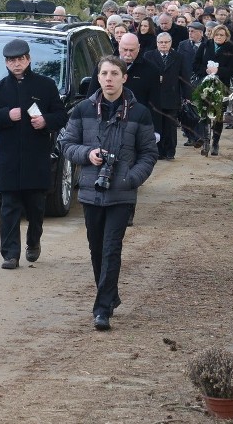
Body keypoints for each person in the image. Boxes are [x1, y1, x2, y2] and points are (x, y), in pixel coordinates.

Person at [60, 55, 157, 331]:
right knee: (97, 248)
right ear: (98, 77)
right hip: (91, 190)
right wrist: (87, 154)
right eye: (104, 73)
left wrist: (131, 178)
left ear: (124, 78)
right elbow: (67, 144)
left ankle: (102, 309)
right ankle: (110, 295)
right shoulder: (82, 110)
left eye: (115, 73)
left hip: (122, 193)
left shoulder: (139, 112)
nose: (109, 78)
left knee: (112, 248)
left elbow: (149, 153)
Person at [0, 39, 68, 269]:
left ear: (29, 60)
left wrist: (45, 121)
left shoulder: (45, 86)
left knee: (36, 207)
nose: (17, 64)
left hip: (36, 159)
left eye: (20, 59)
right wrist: (7, 116)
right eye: (12, 60)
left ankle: (33, 241)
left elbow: (61, 116)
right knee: (9, 208)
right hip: (9, 160)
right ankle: (10, 254)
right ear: (6, 63)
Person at [193, 25, 233, 156]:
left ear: (226, 37)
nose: (219, 37)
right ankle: (206, 140)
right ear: (212, 35)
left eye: (222, 35)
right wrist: (206, 70)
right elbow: (195, 65)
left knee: (218, 115)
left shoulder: (231, 49)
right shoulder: (204, 46)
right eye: (217, 35)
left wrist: (219, 71)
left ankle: (215, 142)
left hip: (222, 85)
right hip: (205, 84)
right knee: (204, 112)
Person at [143, 32, 192, 160]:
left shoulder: (178, 57)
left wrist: (187, 96)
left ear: (170, 43)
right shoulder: (149, 55)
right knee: (156, 125)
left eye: (166, 42)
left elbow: (184, 77)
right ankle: (158, 151)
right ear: (157, 43)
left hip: (172, 96)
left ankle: (170, 150)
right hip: (155, 97)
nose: (163, 44)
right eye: (161, 42)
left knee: (170, 126)